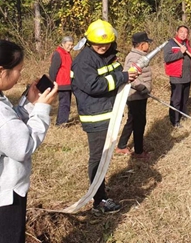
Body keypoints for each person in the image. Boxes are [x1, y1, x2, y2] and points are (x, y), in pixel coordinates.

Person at [72, 20, 138, 214]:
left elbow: (116, 74)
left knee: (104, 156)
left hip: (109, 112)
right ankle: (99, 201)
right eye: (98, 44)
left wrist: (129, 76)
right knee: (98, 158)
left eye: (107, 43)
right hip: (95, 117)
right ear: (88, 41)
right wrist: (123, 77)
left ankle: (100, 194)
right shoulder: (84, 61)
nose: (103, 47)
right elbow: (93, 86)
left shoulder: (109, 54)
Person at [0, 40, 58, 243]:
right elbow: (22, 146)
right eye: (18, 70)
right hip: (5, 197)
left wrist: (29, 102)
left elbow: (11, 127)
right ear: (1, 71)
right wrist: (42, 108)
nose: (20, 76)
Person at [115, 32, 153, 159]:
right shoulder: (134, 57)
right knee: (139, 123)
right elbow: (128, 74)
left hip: (140, 95)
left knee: (132, 120)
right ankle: (139, 152)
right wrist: (140, 86)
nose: (149, 45)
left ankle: (121, 146)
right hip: (135, 95)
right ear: (142, 45)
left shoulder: (140, 55)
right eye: (147, 43)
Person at [164, 25, 191, 128]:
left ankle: (183, 115)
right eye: (181, 32)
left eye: (186, 32)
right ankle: (175, 120)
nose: (184, 34)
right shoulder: (171, 43)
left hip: (187, 76)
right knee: (176, 99)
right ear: (177, 32)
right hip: (177, 76)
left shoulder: (187, 43)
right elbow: (167, 58)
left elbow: (189, 57)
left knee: (185, 98)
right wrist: (180, 53)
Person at [49, 36, 74, 125]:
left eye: (71, 45)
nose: (70, 47)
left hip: (68, 83)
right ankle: (61, 123)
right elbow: (53, 70)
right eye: (68, 45)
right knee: (64, 103)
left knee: (66, 103)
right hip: (62, 83)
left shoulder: (67, 54)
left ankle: (63, 120)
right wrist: (52, 82)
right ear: (63, 44)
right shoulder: (58, 53)